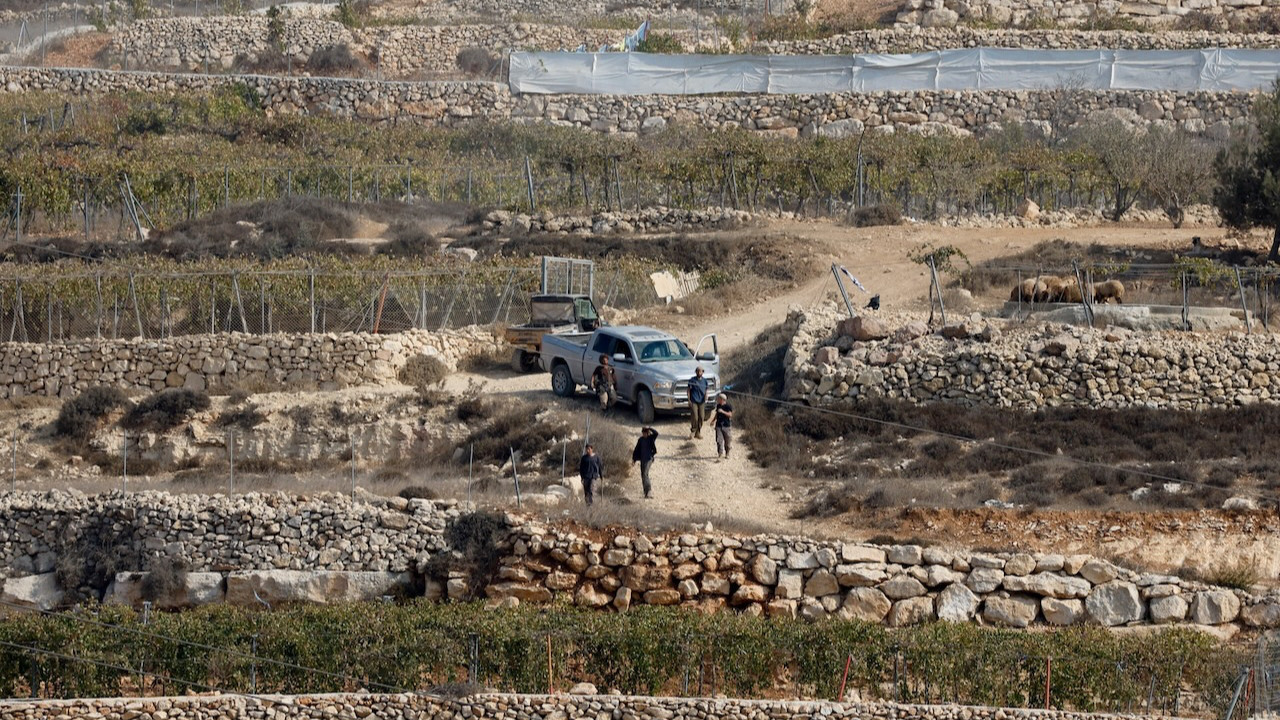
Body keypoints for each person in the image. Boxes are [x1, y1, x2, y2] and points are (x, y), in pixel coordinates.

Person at [631, 427, 660, 499]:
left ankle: (649, 491)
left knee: (645, 474)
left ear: (647, 433)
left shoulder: (651, 438)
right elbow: (636, 450)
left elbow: (656, 433)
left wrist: (649, 428)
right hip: (642, 460)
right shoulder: (640, 440)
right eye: (643, 433)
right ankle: (646, 493)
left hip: (649, 459)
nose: (644, 434)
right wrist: (634, 459)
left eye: (645, 433)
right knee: (642, 475)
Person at [687, 366, 708, 438]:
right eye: (698, 371)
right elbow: (688, 390)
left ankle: (698, 432)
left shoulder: (705, 381)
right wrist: (689, 400)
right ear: (696, 372)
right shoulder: (692, 380)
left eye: (700, 371)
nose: (699, 373)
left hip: (702, 401)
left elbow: (706, 389)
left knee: (701, 417)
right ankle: (693, 431)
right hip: (694, 400)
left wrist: (706, 395)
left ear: (703, 372)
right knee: (695, 417)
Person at [712, 393, 733, 460]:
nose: (717, 400)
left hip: (726, 426)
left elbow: (730, 415)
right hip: (718, 425)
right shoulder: (718, 406)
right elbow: (717, 414)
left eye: (719, 398)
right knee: (719, 440)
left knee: (727, 440)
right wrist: (713, 420)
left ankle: (727, 453)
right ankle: (720, 454)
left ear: (722, 399)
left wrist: (723, 412)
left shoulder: (728, 406)